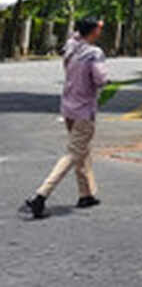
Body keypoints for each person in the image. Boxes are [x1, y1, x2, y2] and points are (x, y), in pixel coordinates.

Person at [23, 17, 109, 220]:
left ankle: (86, 194)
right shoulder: (94, 53)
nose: (101, 31)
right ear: (93, 31)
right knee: (73, 153)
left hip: (68, 107)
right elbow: (101, 79)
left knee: (82, 150)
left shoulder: (71, 47)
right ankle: (41, 195)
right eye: (99, 28)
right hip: (84, 109)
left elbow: (70, 50)